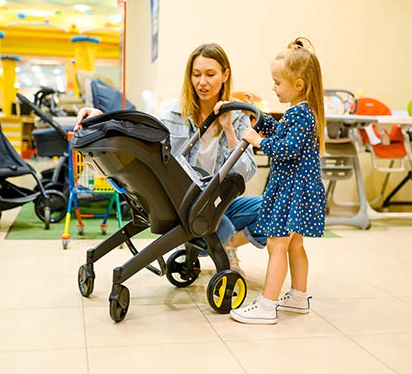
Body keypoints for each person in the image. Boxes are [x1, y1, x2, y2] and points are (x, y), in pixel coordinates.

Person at [74, 43, 267, 276]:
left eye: (210, 74)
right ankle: (219, 241)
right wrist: (99, 117)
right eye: (196, 75)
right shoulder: (172, 113)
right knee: (220, 226)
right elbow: (138, 132)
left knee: (277, 205)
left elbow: (245, 173)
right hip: (183, 205)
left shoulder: (237, 118)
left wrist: (229, 131)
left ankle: (229, 245)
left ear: (225, 75)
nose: (202, 82)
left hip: (216, 202)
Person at [229, 37, 326, 325]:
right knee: (294, 245)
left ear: (298, 85)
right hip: (298, 190)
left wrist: (258, 140)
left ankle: (267, 305)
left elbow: (286, 149)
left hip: (291, 191)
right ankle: (298, 296)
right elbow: (283, 133)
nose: (273, 87)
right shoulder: (302, 112)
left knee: (276, 244)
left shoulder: (300, 114)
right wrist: (257, 117)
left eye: (277, 82)